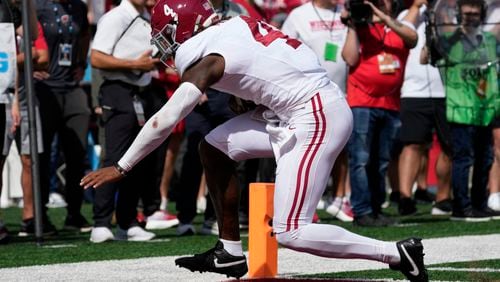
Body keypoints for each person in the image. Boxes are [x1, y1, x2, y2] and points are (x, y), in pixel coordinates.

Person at [80, 0, 428, 281]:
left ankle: (397, 253)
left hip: (314, 115)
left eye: (165, 33)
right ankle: (230, 252)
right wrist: (255, 95)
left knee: (292, 231)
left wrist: (122, 166)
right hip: (298, 109)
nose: (164, 43)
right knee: (213, 147)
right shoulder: (234, 25)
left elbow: (165, 119)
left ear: (182, 27)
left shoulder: (207, 57)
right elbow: (275, 63)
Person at [89, 0, 164, 242]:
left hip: (141, 92)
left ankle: (128, 221)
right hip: (117, 90)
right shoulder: (116, 16)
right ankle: (100, 223)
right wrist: (135, 64)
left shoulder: (147, 16)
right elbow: (97, 58)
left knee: (138, 157)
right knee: (115, 155)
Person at [341, 0, 420, 227]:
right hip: (362, 102)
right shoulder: (361, 26)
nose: (378, 3)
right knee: (361, 160)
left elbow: (412, 39)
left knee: (381, 162)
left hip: (390, 104)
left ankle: (376, 209)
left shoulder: (398, 27)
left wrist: (383, 18)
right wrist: (353, 24)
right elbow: (349, 58)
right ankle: (362, 211)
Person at [281, 0, 353, 222]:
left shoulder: (344, 13)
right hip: (307, 96)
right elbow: (283, 52)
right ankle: (306, 205)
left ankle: (341, 198)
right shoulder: (297, 16)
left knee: (341, 148)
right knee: (308, 152)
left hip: (343, 91)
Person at [434, 0, 499, 221]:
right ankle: (461, 208)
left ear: (482, 14)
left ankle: (480, 204)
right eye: (467, 11)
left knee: (485, 158)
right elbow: (429, 58)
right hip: (460, 108)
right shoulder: (450, 40)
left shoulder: (489, 40)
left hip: (485, 108)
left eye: (475, 11)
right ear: (459, 13)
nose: (471, 15)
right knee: (463, 158)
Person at [35, 0, 92, 233]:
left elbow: (85, 34)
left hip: (72, 86)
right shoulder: (37, 6)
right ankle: (40, 216)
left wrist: (80, 62)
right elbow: (21, 38)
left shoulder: (78, 7)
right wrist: (28, 66)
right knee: (43, 153)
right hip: (44, 87)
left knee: (77, 152)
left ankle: (74, 214)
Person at [396, 1, 452, 216]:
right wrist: (416, 7)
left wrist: (441, 13)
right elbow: (401, 32)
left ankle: (443, 197)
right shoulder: (408, 14)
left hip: (448, 89)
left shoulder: (448, 13)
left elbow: (452, 35)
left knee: (450, 147)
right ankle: (405, 197)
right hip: (414, 91)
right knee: (413, 145)